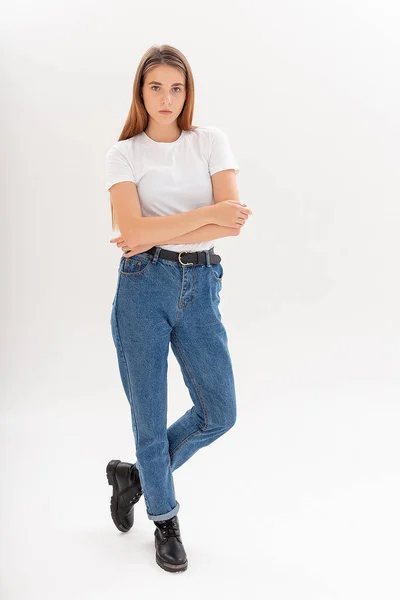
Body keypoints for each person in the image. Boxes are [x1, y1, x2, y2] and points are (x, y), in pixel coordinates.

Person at [104, 44, 252, 573]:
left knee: (220, 411)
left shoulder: (209, 141)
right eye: (155, 87)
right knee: (149, 417)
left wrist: (162, 228)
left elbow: (230, 226)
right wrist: (205, 212)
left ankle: (138, 478)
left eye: (177, 87)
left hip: (200, 284)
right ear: (140, 93)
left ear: (187, 93)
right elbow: (133, 233)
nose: (166, 98)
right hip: (142, 287)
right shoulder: (125, 153)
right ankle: (164, 519)